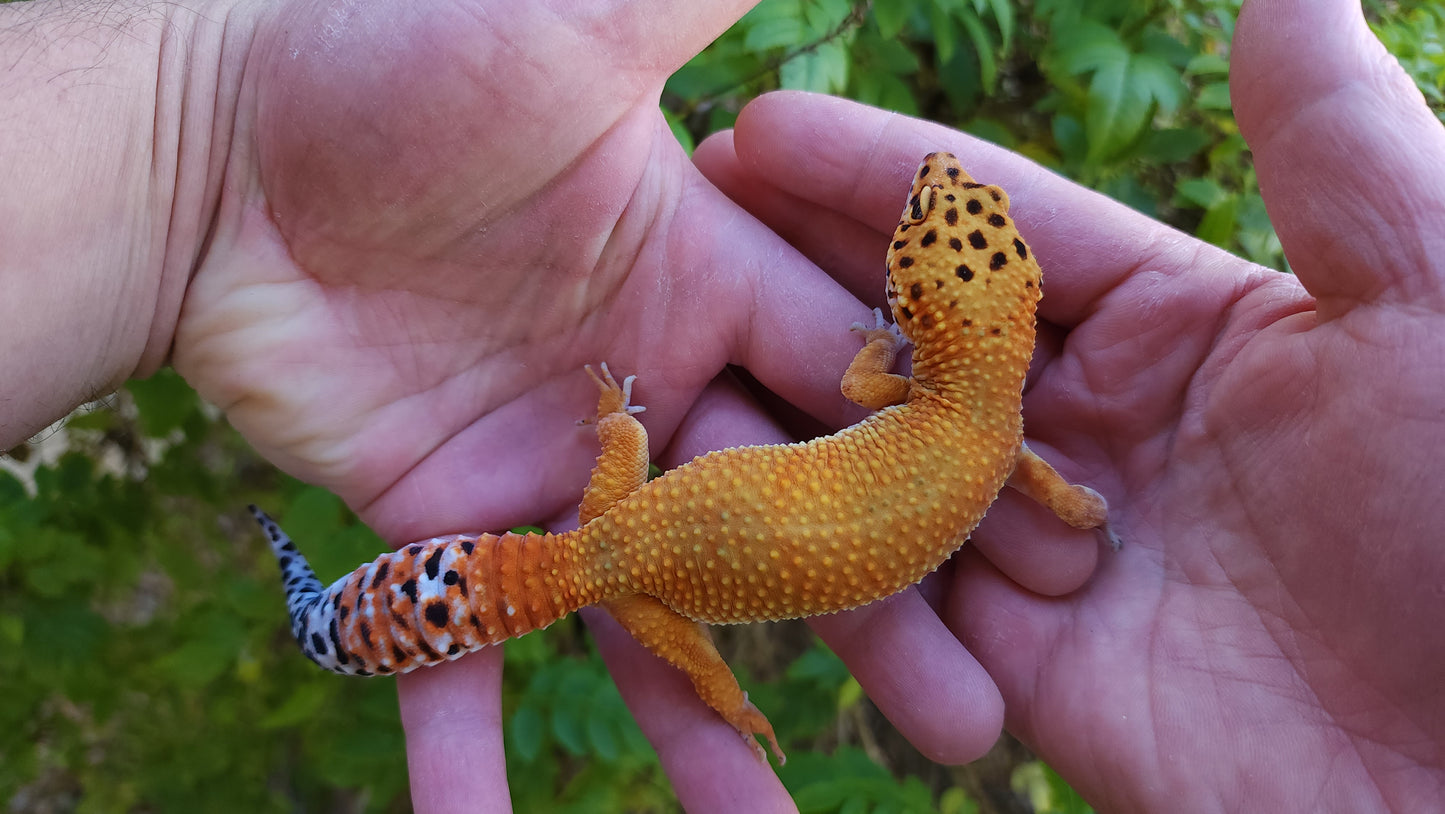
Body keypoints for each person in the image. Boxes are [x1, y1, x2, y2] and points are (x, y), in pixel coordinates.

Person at [4, 0, 1441, 809]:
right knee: (698, 673)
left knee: (651, 545)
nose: (947, 203)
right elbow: (1064, 504)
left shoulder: (910, 394)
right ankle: (360, 621)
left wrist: (623, 423)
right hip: (631, 568)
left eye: (956, 229)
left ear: (958, 312)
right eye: (962, 221)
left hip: (635, 521)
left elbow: (876, 377)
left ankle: (345, 615)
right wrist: (729, 681)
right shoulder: (1001, 440)